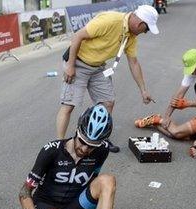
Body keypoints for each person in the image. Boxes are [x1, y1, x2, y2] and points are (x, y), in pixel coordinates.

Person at [57, 5, 160, 153]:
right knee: (68, 105)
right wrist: (70, 65)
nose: (145, 32)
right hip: (78, 62)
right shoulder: (110, 21)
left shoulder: (131, 36)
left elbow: (134, 62)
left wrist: (143, 90)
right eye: (146, 29)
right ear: (140, 23)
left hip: (98, 67)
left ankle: (99, 139)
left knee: (108, 102)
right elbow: (78, 36)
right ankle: (58, 146)